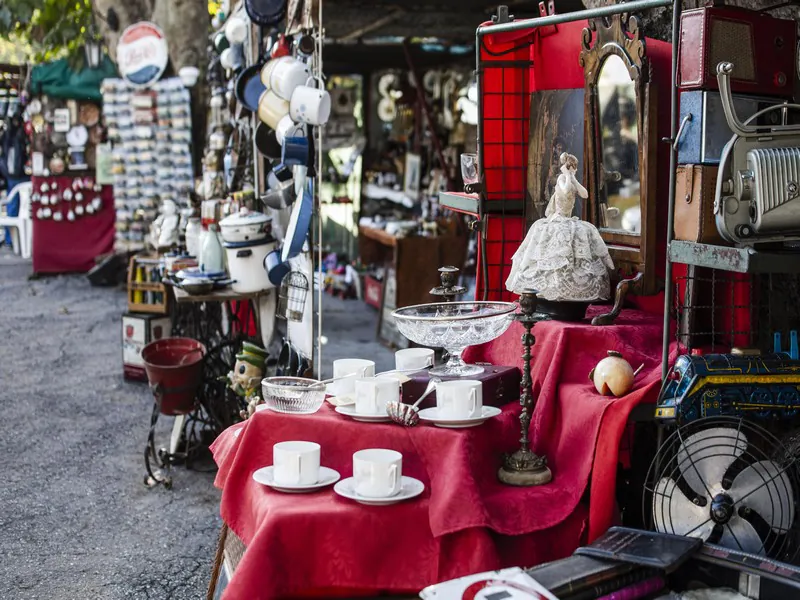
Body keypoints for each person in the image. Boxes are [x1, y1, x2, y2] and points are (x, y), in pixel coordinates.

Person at [506, 152, 614, 301]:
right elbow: (564, 189)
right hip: (557, 219)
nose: (575, 169)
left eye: (575, 168)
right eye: (573, 167)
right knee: (555, 253)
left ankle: (569, 290)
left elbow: (585, 194)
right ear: (568, 167)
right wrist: (567, 175)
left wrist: (574, 178)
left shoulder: (571, 179)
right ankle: (551, 290)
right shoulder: (562, 179)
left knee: (581, 237)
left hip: (568, 219)